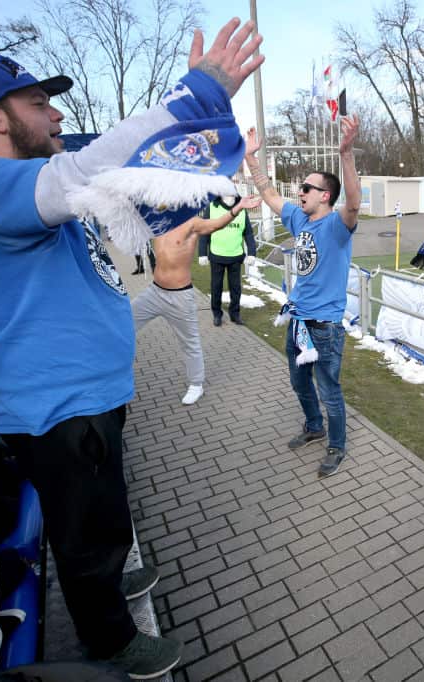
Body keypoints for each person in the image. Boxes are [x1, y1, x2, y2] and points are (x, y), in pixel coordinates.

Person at [0, 20, 263, 679]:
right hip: (62, 405)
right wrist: (197, 95)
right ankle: (112, 640)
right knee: (85, 540)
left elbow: (99, 166)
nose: (55, 113)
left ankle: (112, 576)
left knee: (101, 515)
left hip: (81, 394)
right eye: (37, 103)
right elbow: (93, 164)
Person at [243, 115, 361, 477]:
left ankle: (337, 447)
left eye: (307, 188)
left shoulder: (337, 225)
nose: (300, 192)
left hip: (324, 327)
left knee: (329, 390)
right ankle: (314, 426)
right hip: (297, 322)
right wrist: (251, 159)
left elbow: (354, 203)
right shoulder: (299, 220)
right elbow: (270, 194)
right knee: (298, 382)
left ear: (325, 195)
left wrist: (346, 154)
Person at [133, 194, 261, 406]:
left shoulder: (191, 223)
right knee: (124, 324)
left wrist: (237, 208)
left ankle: (196, 384)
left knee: (190, 343)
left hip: (180, 297)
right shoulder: (156, 220)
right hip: (154, 293)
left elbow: (215, 224)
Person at [198, 194, 259, 326]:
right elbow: (204, 230)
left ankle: (235, 314)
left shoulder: (241, 209)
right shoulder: (212, 208)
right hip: (217, 255)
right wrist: (202, 253)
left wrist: (252, 253)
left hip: (236, 256)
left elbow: (248, 232)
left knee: (236, 288)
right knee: (216, 287)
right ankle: (217, 314)